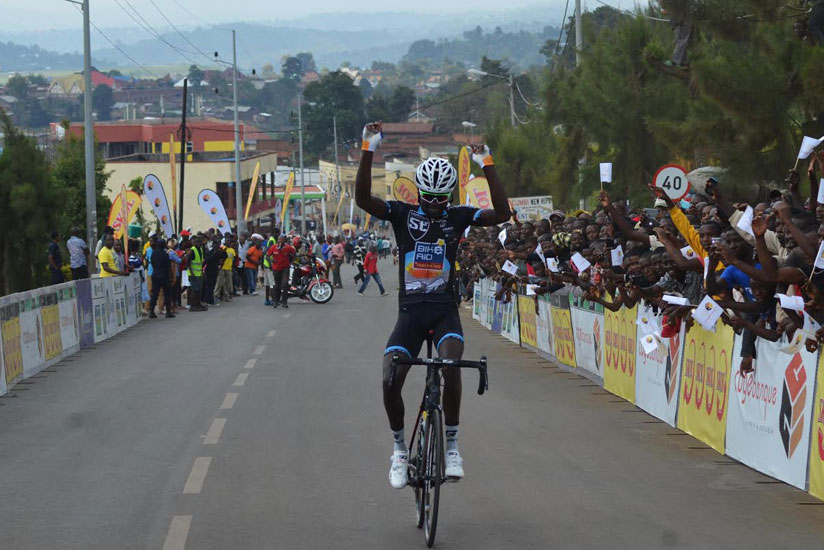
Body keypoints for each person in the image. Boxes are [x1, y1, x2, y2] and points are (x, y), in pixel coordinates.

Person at [355, 121, 511, 489]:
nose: (437, 206)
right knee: (389, 377)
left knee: (451, 364)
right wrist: (367, 149)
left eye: (444, 199)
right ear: (420, 192)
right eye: (431, 199)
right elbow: (363, 200)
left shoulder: (458, 216)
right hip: (410, 313)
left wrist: (486, 162)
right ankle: (398, 450)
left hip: (444, 312)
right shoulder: (401, 214)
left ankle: (452, 445)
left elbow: (502, 213)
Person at [266, 235, 295, 308]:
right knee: (277, 286)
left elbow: (294, 253)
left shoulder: (288, 247)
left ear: (284, 241)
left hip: (285, 268)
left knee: (285, 284)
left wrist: (291, 261)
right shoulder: (273, 247)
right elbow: (267, 256)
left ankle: (284, 302)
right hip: (276, 268)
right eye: (279, 240)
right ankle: (276, 301)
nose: (280, 241)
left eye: (282, 240)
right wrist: (271, 261)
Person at [149, 238, 175, 319]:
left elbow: (152, 263)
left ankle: (151, 312)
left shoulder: (153, 253)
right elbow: (168, 267)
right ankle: (168, 312)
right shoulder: (165, 254)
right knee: (167, 294)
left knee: (155, 294)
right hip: (164, 276)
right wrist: (171, 277)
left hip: (155, 275)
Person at [186, 233, 208, 312]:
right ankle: (193, 306)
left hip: (199, 273)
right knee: (194, 290)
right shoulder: (192, 250)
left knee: (199, 290)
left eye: (200, 241)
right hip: (193, 274)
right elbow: (188, 264)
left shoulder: (201, 249)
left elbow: (201, 262)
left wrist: (202, 271)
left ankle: (198, 305)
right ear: (195, 242)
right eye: (197, 242)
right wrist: (192, 274)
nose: (199, 243)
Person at [216, 236, 236, 303]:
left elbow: (233, 259)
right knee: (220, 282)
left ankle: (226, 296)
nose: (229, 243)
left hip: (229, 268)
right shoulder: (222, 248)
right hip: (222, 268)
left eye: (230, 242)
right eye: (227, 241)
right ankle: (216, 295)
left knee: (228, 283)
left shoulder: (232, 250)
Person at [262, 230, 279, 306]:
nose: (278, 235)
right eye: (277, 233)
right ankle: (273, 300)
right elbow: (267, 252)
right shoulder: (272, 241)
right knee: (272, 283)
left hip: (266, 264)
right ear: (274, 233)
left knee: (267, 284)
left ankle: (267, 300)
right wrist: (271, 265)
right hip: (269, 265)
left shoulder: (273, 240)